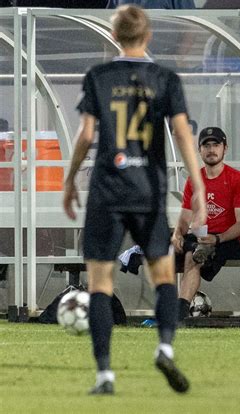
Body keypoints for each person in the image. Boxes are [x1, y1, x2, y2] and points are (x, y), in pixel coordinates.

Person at [63, 5, 206, 395]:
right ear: (149, 36)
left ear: (114, 36)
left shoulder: (99, 76)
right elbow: (181, 134)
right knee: (162, 275)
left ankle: (105, 375)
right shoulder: (165, 78)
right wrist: (199, 185)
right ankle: (164, 347)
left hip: (108, 191)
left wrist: (70, 178)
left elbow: (86, 135)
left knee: (100, 283)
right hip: (148, 190)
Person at [119, 126, 240, 321]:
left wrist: (217, 238)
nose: (211, 150)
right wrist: (178, 234)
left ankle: (179, 314)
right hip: (200, 238)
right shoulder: (194, 180)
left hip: (230, 241)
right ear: (199, 150)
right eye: (206, 145)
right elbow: (184, 218)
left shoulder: (237, 179)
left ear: (225, 148)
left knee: (193, 253)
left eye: (216, 145)